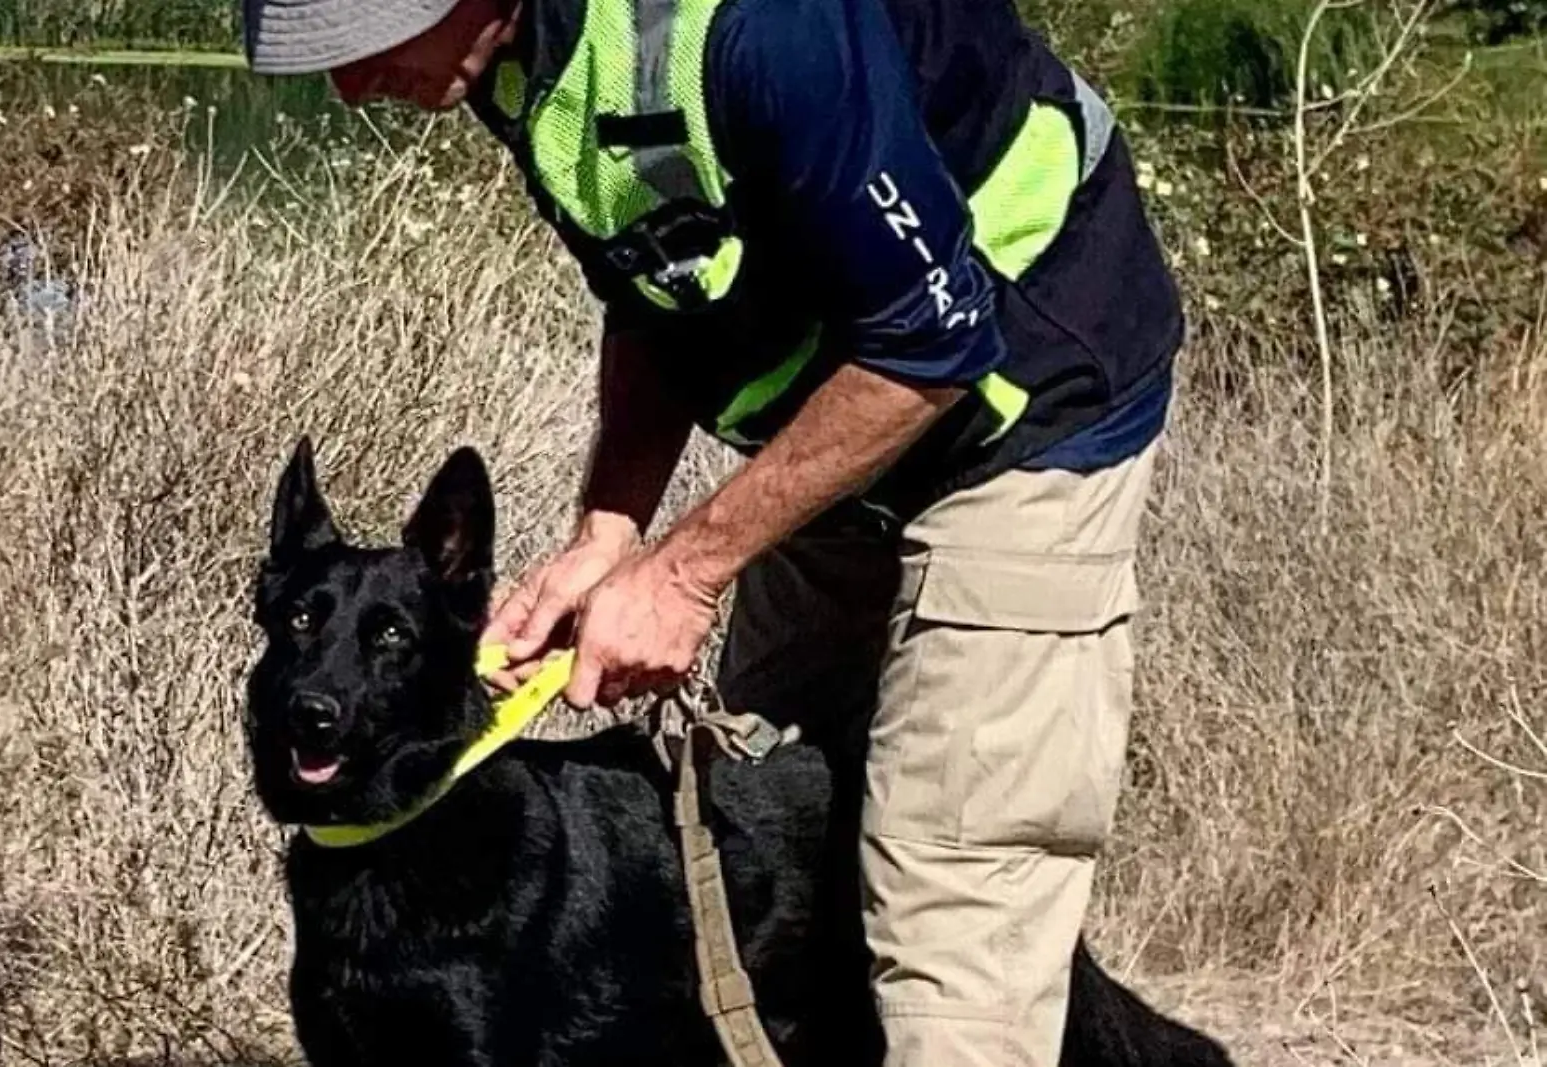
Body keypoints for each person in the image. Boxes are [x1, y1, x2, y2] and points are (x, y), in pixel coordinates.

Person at [243, 0, 1184, 1060]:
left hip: (1028, 392)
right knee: (768, 844)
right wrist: (611, 527)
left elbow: (934, 334)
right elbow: (655, 282)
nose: (345, 88)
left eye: (355, 50)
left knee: (945, 907)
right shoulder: (522, 56)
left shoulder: (762, 27)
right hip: (846, 416)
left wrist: (685, 573)